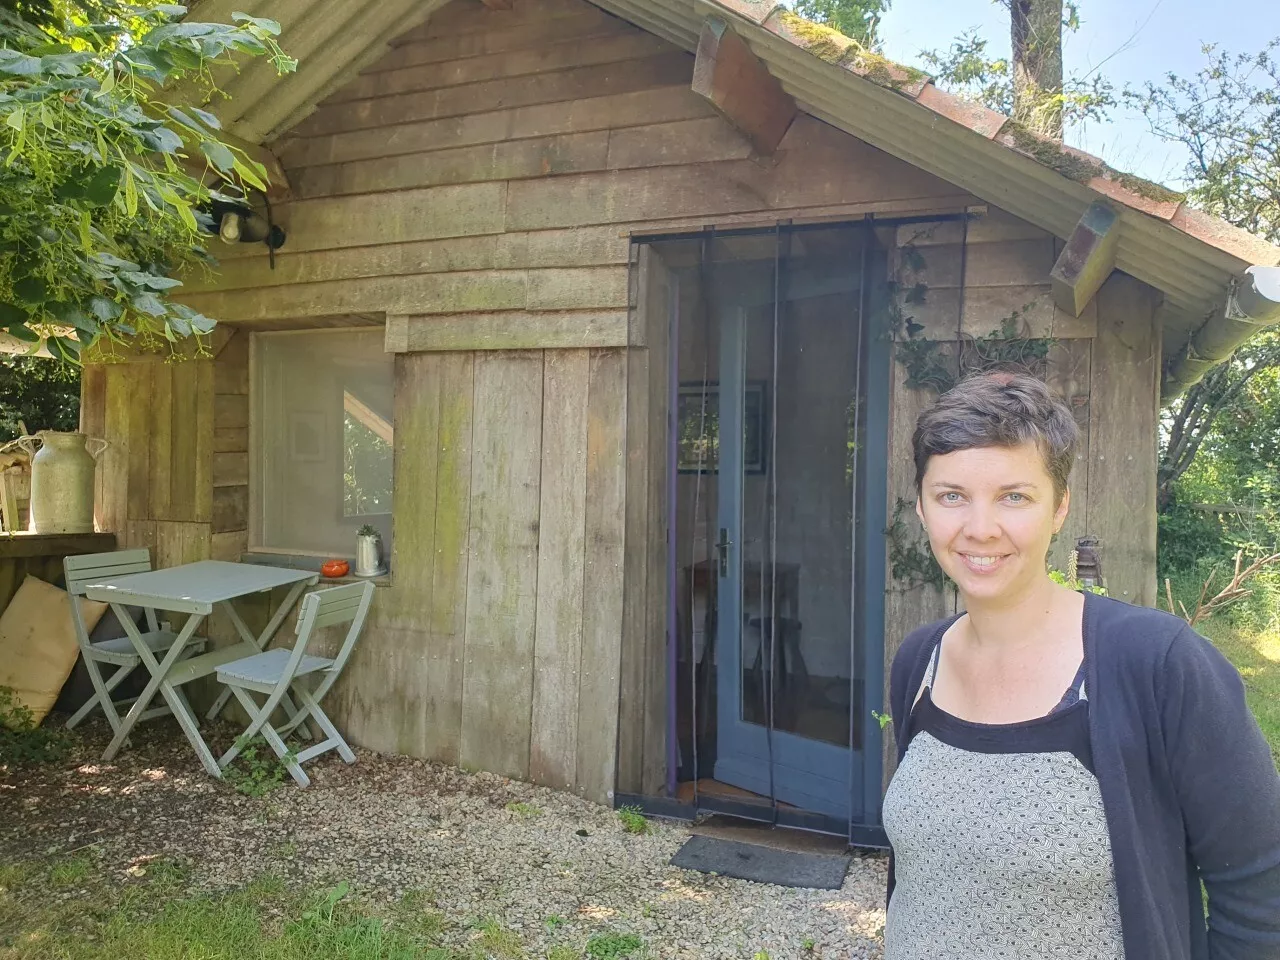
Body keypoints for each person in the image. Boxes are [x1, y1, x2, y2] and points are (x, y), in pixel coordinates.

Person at [881, 370, 1280, 960]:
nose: (980, 527)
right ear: (921, 506)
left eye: (1014, 496)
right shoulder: (920, 662)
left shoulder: (1157, 665)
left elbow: (1259, 892)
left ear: (1060, 506)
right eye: (952, 496)